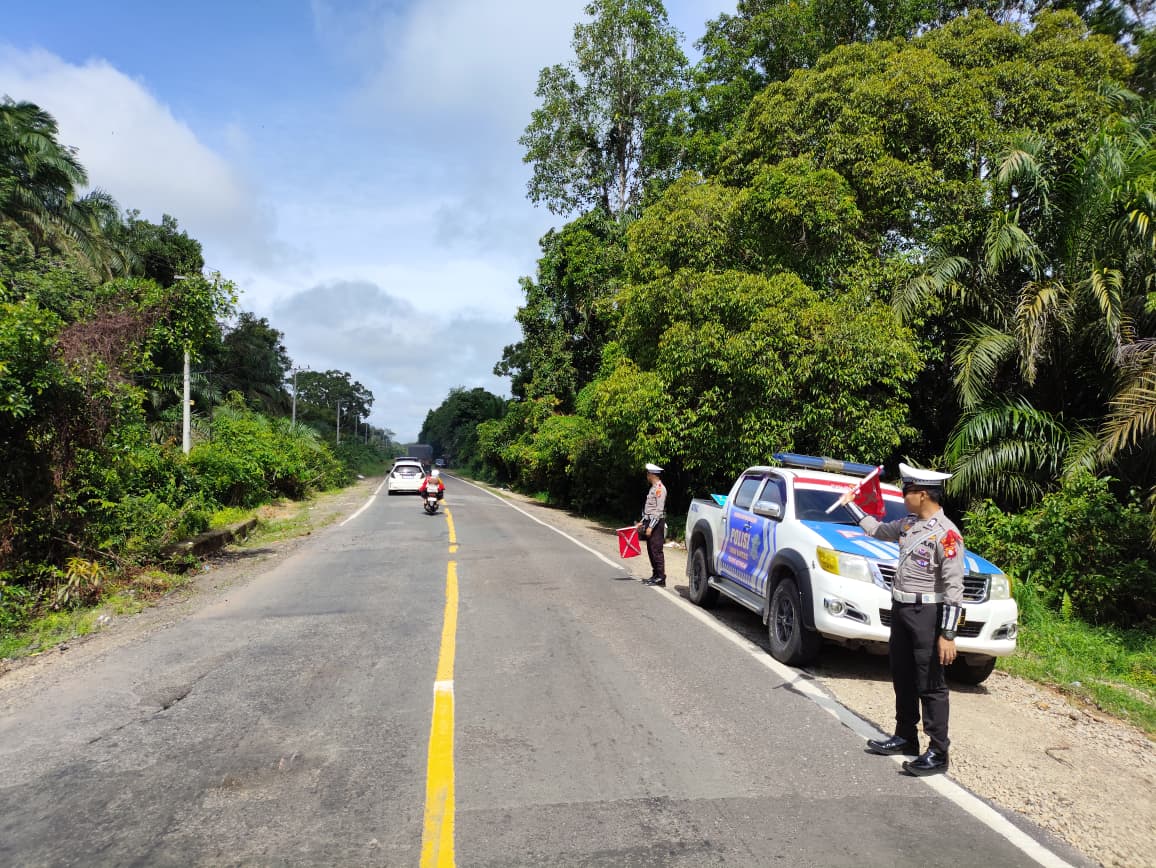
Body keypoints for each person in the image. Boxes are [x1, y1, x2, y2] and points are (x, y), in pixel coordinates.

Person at [834, 462, 965, 776]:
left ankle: (938, 750)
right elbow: (877, 530)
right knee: (902, 674)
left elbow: (954, 587)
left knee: (930, 683)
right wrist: (850, 504)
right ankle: (906, 735)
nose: (903, 496)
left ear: (922, 495)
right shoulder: (909, 525)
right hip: (903, 610)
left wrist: (947, 633)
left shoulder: (946, 534)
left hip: (927, 615)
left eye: (907, 492)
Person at [637, 463, 667, 586]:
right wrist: (642, 521)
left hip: (656, 523)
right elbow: (649, 509)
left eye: (648, 473)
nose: (647, 475)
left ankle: (661, 577)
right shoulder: (653, 488)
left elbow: (658, 511)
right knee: (650, 549)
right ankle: (655, 575)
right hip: (650, 521)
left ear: (652, 475)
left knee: (656, 550)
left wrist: (651, 526)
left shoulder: (660, 489)